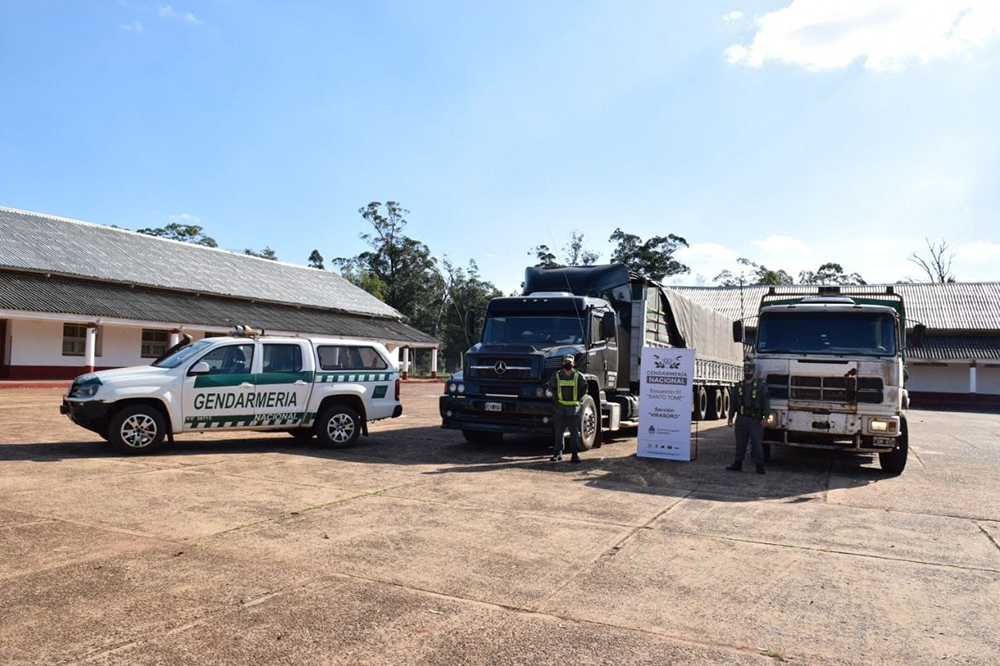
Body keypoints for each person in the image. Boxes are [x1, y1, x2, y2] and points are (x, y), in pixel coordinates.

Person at [727, 360, 771, 474]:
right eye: (746, 371)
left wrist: (766, 417)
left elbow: (766, 402)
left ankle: (759, 465)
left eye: (750, 371)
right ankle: (738, 463)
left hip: (755, 420)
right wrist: (730, 417)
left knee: (756, 443)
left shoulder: (761, 387)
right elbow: (733, 403)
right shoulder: (738, 387)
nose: (747, 372)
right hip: (741, 418)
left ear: (754, 372)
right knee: (740, 443)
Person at [549, 354, 588, 463]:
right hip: (560, 408)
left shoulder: (579, 376)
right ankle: (557, 454)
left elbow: (584, 389)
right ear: (562, 363)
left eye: (570, 362)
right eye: (566, 361)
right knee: (559, 432)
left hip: (573, 409)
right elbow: (552, 389)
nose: (568, 364)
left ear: (574, 363)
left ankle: (574, 455)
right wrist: (556, 401)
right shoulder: (556, 376)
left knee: (574, 433)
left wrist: (577, 401)